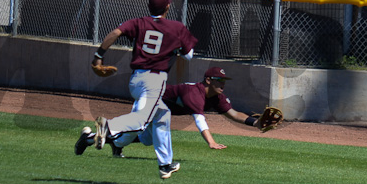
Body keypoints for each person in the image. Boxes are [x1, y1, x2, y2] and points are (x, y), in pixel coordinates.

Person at [75, 0, 198, 179]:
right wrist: (176, 48)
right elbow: (189, 55)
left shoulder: (139, 22)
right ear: (167, 7)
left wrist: (98, 56)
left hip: (136, 80)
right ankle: (107, 126)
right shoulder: (176, 27)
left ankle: (164, 164)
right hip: (154, 81)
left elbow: (115, 32)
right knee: (141, 122)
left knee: (162, 116)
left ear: (149, 7)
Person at [77, 66, 261, 156]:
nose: (222, 84)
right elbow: (200, 121)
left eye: (224, 81)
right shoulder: (194, 93)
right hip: (149, 99)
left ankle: (108, 141)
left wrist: (257, 123)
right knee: (136, 129)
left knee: (147, 139)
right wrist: (211, 142)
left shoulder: (217, 96)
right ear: (208, 81)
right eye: (218, 80)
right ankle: (91, 136)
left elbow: (234, 114)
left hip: (159, 110)